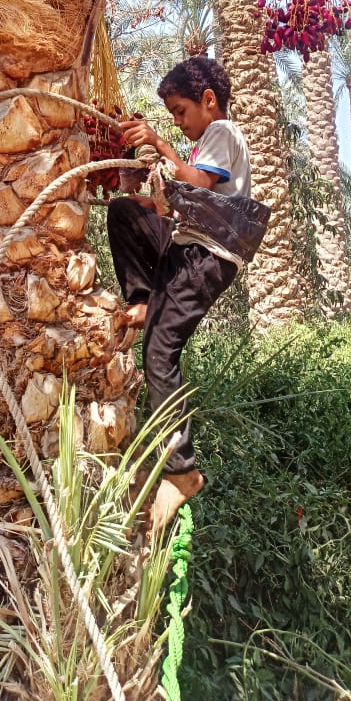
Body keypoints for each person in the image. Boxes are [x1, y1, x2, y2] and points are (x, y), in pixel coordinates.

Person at [107, 55, 251, 533]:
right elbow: (184, 202)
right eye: (171, 115)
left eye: (180, 111)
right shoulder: (203, 143)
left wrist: (159, 143)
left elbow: (201, 183)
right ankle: (143, 298)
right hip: (187, 245)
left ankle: (182, 471)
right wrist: (146, 197)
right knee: (124, 212)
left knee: (159, 351)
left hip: (206, 257)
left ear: (208, 100)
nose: (177, 121)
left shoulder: (222, 132)